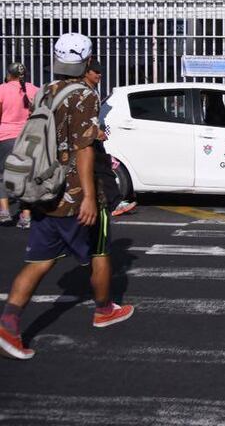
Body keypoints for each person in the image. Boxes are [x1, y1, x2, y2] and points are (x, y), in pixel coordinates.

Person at [0, 33, 134, 361]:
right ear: (86, 61)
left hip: (43, 189)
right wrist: (88, 196)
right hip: (73, 195)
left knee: (38, 262)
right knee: (100, 249)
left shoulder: (44, 92)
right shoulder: (84, 95)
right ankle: (104, 309)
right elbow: (83, 148)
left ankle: (8, 325)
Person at [83, 60, 137, 217]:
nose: (99, 74)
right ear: (86, 73)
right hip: (86, 139)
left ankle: (113, 202)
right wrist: (96, 131)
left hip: (93, 138)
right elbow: (83, 118)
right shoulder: (83, 91)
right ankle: (113, 203)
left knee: (103, 169)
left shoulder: (93, 90)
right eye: (96, 72)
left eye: (100, 72)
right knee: (101, 169)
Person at [0, 62, 39, 228]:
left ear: (9, 75)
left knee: (2, 174)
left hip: (5, 137)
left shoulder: (2, 89)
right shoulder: (34, 90)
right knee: (26, 177)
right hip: (28, 138)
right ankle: (26, 216)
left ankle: (4, 212)